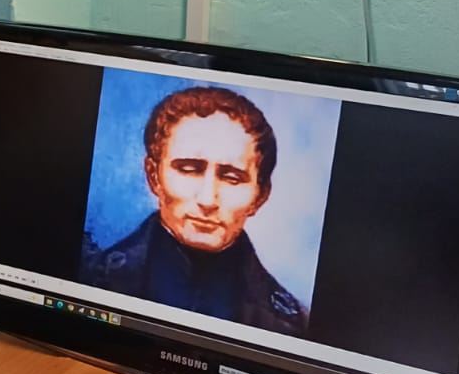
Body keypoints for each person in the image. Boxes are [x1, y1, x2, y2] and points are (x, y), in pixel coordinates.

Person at [80, 85, 306, 334]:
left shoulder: (291, 324)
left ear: (260, 196)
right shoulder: (89, 277)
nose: (208, 200)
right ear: (154, 176)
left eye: (232, 178)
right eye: (189, 170)